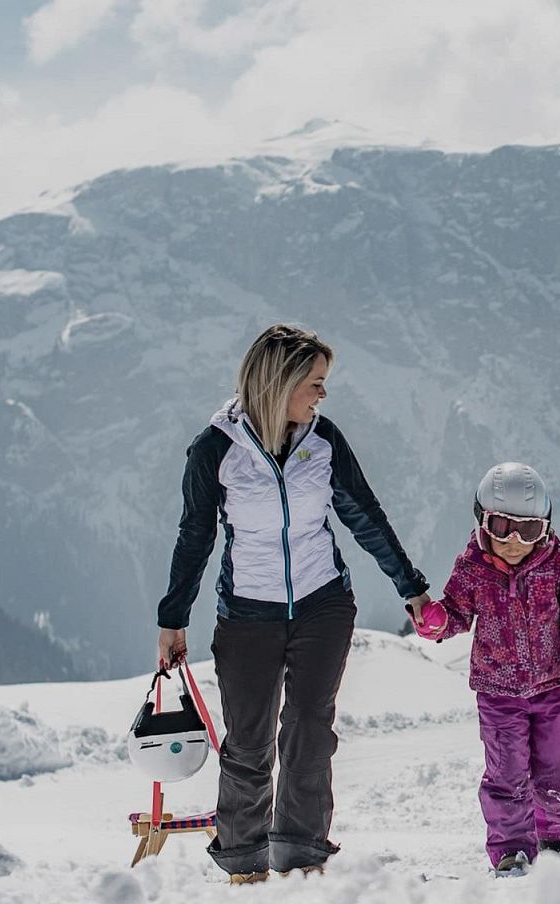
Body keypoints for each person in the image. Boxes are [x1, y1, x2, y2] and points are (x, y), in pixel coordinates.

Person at [155, 324, 433, 883]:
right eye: (315, 383)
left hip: (322, 603)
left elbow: (363, 514)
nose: (322, 395)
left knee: (309, 726)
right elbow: (195, 537)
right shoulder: (216, 449)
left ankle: (302, 862)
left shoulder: (323, 439)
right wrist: (172, 618)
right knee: (249, 741)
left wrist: (411, 586)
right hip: (247, 615)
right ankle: (244, 864)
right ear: (278, 385)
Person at [412, 462, 560, 872]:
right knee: (507, 773)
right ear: (482, 521)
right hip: (498, 694)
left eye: (529, 530)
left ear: (546, 529)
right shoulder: (473, 567)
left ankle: (551, 836)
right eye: (502, 527)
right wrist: (439, 622)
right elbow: (457, 611)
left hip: (553, 687)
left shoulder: (558, 566)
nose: (515, 541)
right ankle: (512, 849)